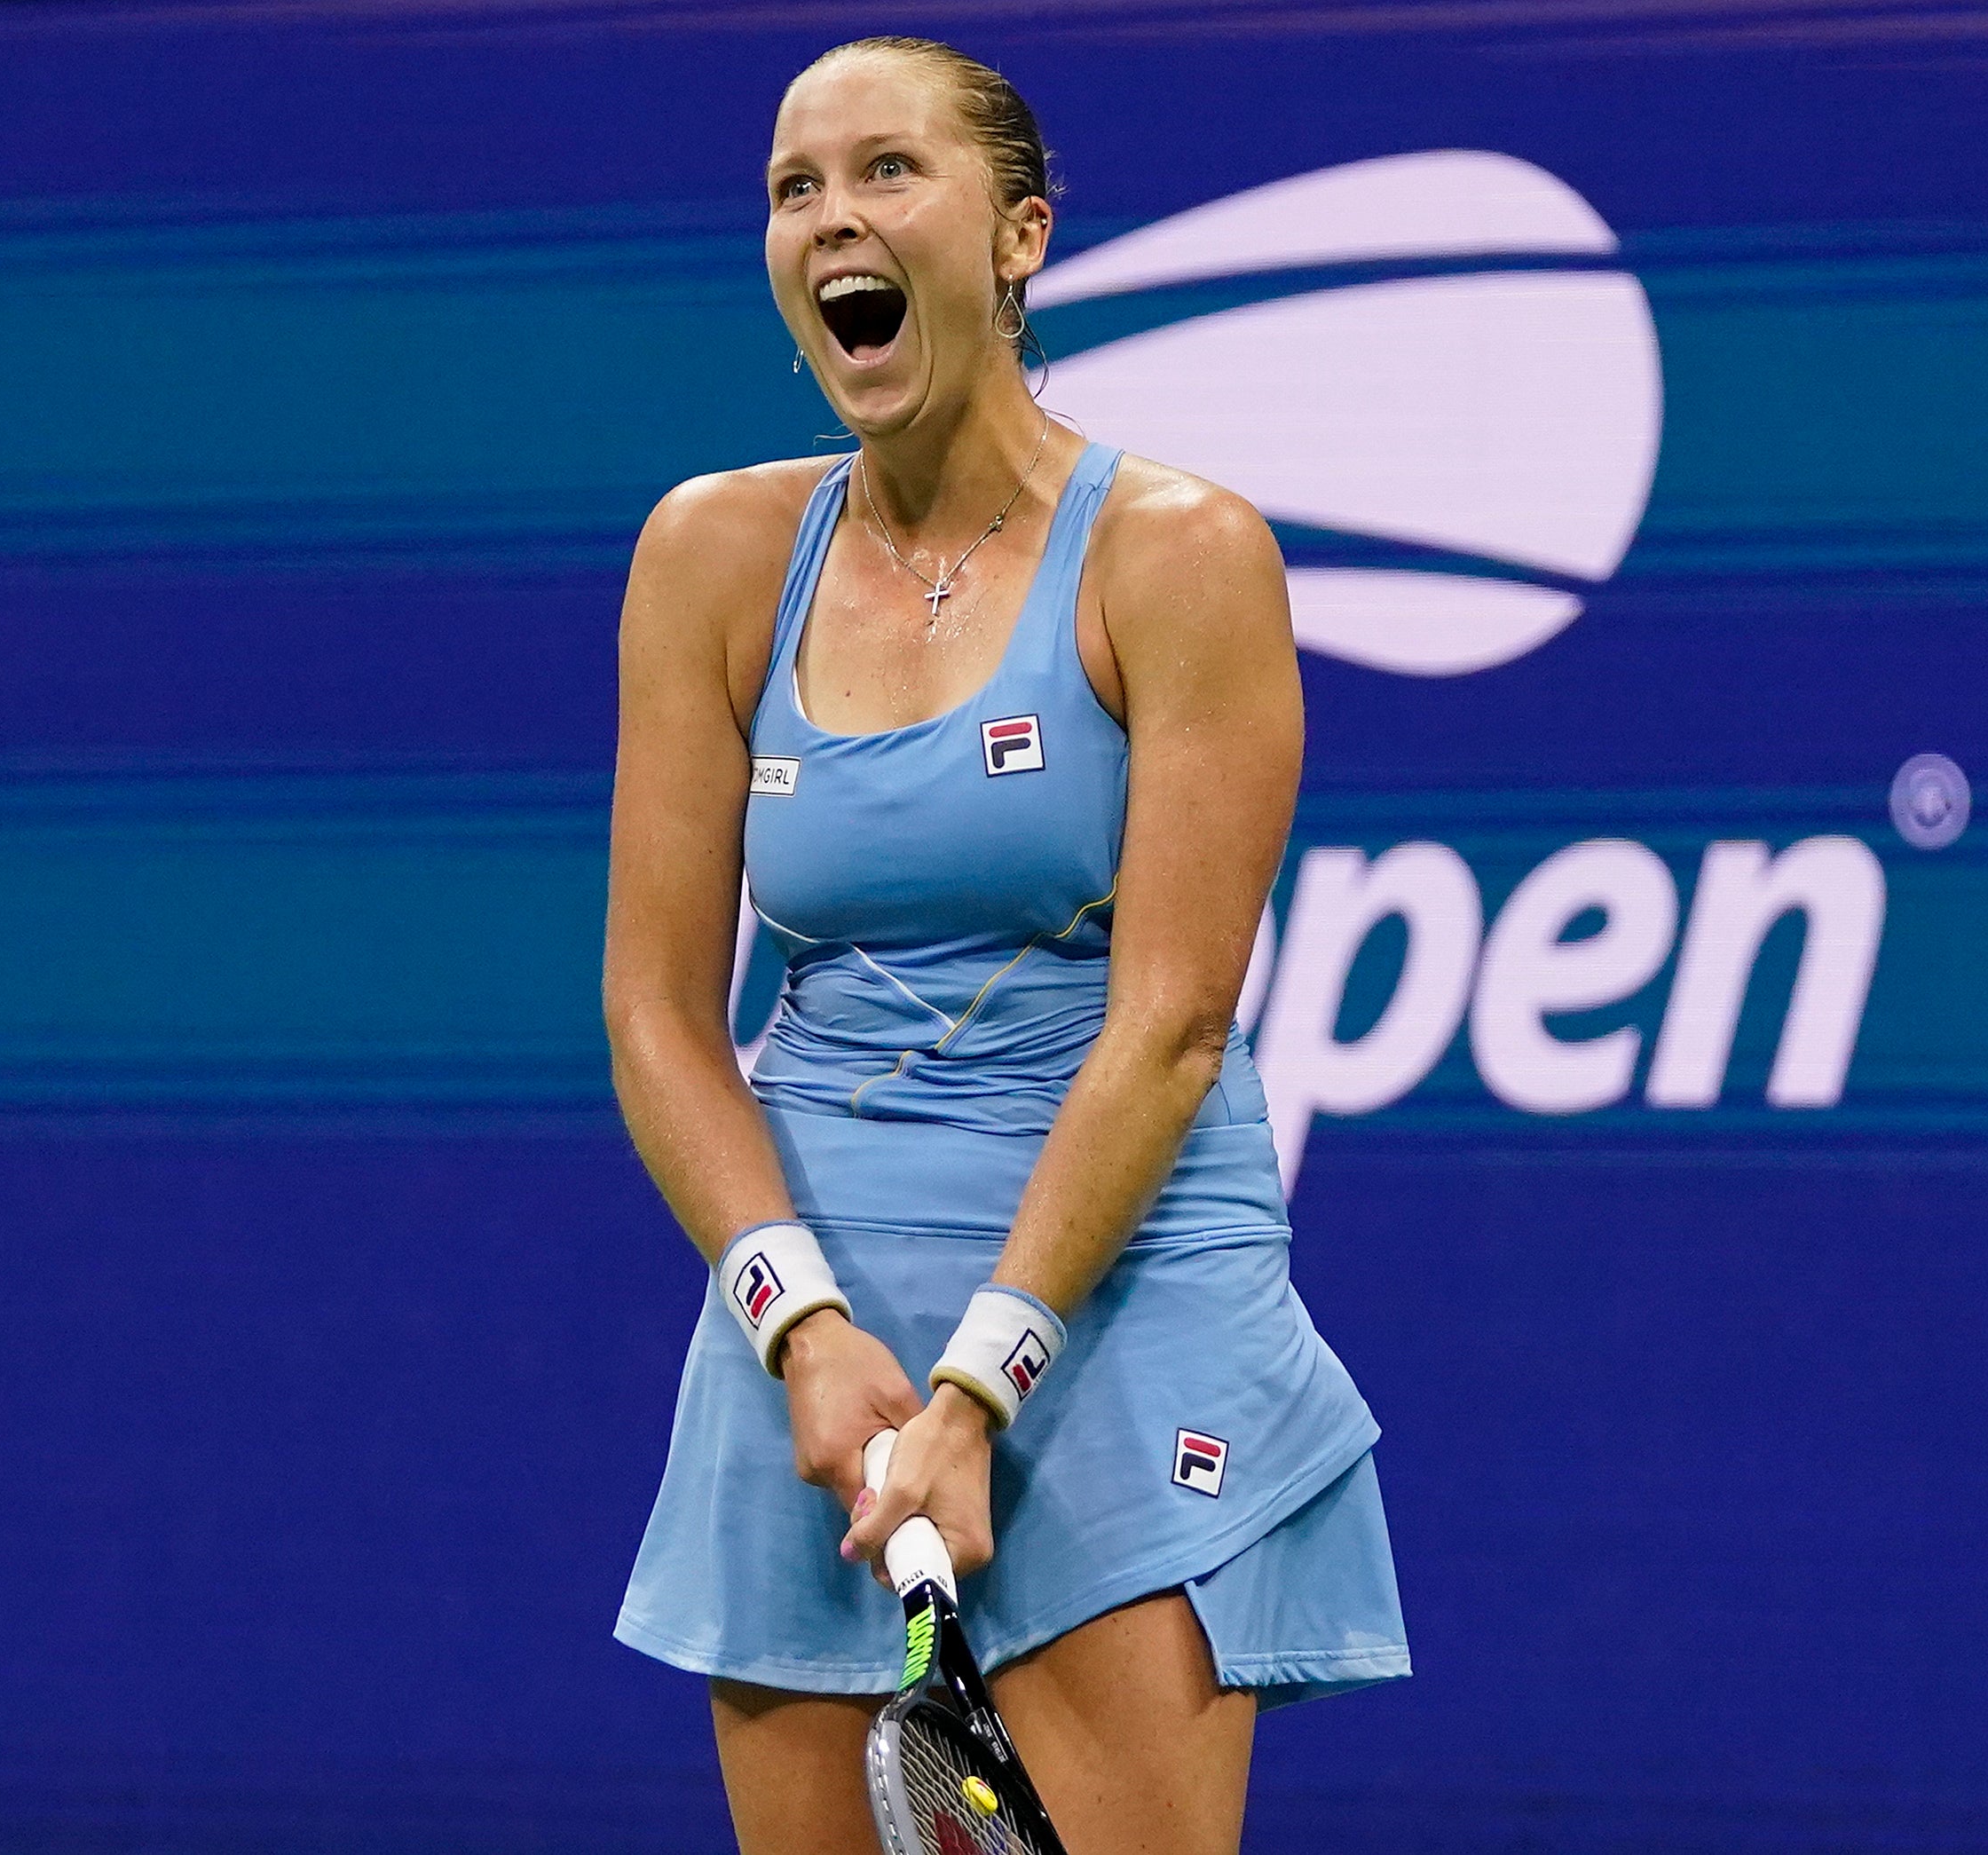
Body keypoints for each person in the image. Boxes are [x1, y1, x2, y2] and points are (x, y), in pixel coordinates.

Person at [600, 36, 1408, 1855]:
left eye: (886, 172)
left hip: (1111, 1294)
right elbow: (656, 1014)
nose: (830, 222)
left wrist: (981, 1381)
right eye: (793, 188)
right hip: (813, 1321)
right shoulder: (710, 558)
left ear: (1020, 235)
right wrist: (797, 1325)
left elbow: (1177, 1023)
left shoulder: (1177, 554)